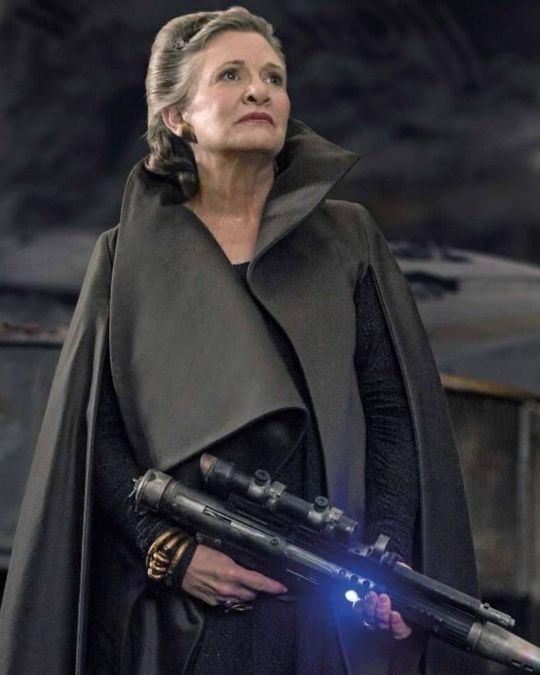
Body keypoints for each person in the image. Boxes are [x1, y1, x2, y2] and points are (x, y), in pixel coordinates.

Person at [0, 7, 481, 675]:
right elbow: (97, 433)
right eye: (231, 75)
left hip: (322, 617)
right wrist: (171, 552)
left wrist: (387, 552)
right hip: (184, 620)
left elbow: (389, 409)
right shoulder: (127, 254)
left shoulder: (347, 238)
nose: (260, 90)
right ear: (178, 117)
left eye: (273, 77)